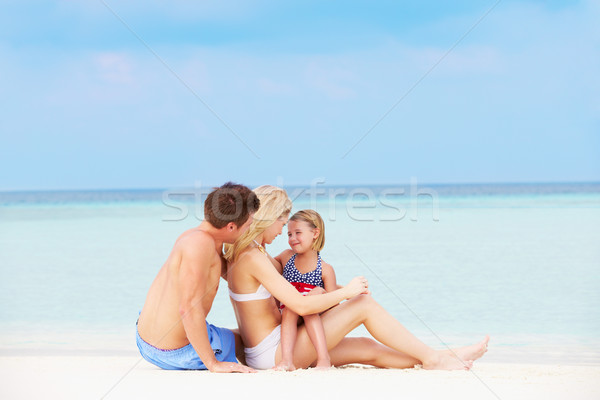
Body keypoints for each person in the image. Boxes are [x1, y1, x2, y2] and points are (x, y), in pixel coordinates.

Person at [225, 185, 489, 371]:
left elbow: (290, 283)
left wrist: (335, 288)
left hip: (270, 347)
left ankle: (443, 357)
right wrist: (347, 292)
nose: (283, 232)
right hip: (274, 352)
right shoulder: (253, 257)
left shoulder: (250, 253)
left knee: (367, 348)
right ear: (268, 218)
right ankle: (435, 358)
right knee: (363, 306)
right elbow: (301, 305)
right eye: (282, 225)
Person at [136, 182, 259, 373]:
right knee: (253, 344)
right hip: (174, 352)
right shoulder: (200, 245)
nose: (249, 230)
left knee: (245, 336)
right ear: (232, 226)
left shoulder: (197, 236)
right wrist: (213, 364)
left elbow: (238, 276)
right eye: (249, 225)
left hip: (145, 340)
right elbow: (188, 308)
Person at [274, 209, 338, 371]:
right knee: (291, 308)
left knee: (309, 307)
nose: (292, 239)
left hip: (311, 314)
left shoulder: (325, 269)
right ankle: (287, 360)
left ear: (315, 233)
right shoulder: (286, 257)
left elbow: (333, 304)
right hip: (289, 311)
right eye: (289, 234)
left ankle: (324, 359)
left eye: (298, 233)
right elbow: (265, 269)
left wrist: (321, 293)